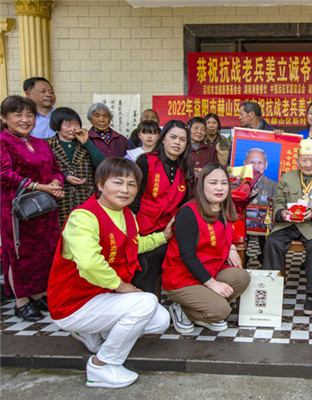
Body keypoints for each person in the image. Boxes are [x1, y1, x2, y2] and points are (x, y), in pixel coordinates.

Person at [47, 158, 171, 389]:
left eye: (132, 184)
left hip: (102, 297)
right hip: (73, 303)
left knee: (160, 320)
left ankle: (90, 334)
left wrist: (163, 236)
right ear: (100, 184)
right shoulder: (83, 217)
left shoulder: (127, 215)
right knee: (145, 303)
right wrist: (122, 286)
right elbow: (89, 263)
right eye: (118, 182)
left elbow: (134, 245)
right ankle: (102, 365)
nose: (125, 190)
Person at [162, 163, 250, 334]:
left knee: (241, 277)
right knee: (222, 311)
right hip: (183, 278)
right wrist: (212, 284)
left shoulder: (224, 208)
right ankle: (182, 310)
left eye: (224, 183)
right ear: (201, 185)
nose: (219, 188)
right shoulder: (188, 212)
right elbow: (187, 255)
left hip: (211, 269)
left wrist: (231, 247)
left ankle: (204, 310)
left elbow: (225, 232)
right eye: (213, 183)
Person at [0, 95, 64, 321]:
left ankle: (38, 294)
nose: (25, 119)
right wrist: (39, 186)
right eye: (18, 115)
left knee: (44, 252)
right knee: (20, 253)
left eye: (29, 115)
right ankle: (21, 301)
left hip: (45, 209)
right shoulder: (3, 141)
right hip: (17, 210)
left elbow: (56, 170)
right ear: (4, 118)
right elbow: (4, 174)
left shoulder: (40, 143)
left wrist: (56, 182)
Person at [262, 139, 312, 315]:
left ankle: (311, 293)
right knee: (272, 241)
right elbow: (278, 201)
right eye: (304, 160)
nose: (308, 164)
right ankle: (272, 288)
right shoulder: (287, 178)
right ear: (297, 161)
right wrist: (281, 212)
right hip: (288, 223)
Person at [129, 119, 194, 294]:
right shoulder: (146, 161)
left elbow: (185, 204)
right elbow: (134, 197)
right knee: (149, 260)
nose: (177, 142)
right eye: (173, 137)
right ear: (163, 138)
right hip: (143, 228)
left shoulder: (186, 168)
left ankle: (177, 299)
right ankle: (144, 301)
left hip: (169, 230)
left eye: (182, 139)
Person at [47, 107, 105, 227]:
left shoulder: (86, 144)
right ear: (57, 126)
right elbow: (44, 170)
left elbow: (103, 164)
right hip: (59, 199)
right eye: (68, 125)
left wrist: (86, 143)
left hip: (84, 197)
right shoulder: (47, 145)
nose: (73, 129)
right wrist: (65, 177)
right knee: (60, 231)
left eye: (76, 124)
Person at [243, 148, 277, 264]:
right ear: (245, 163)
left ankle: (265, 262)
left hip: (265, 223)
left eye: (260, 163)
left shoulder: (274, 185)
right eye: (252, 162)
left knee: (269, 243)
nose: (256, 166)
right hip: (243, 222)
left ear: (266, 165)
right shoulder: (236, 182)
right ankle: (242, 261)